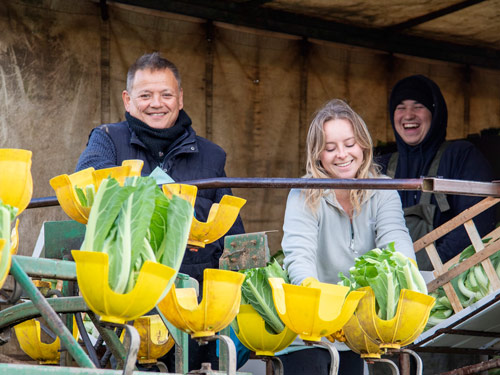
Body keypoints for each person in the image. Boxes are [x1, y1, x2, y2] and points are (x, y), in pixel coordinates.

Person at [75, 52, 245, 371]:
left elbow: (235, 238)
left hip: (191, 309)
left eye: (166, 94)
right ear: (128, 100)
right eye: (145, 95)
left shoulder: (211, 156)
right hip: (126, 298)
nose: (157, 103)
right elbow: (91, 182)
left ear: (179, 99)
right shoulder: (107, 139)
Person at [279, 99, 415, 375]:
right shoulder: (303, 193)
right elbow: (299, 254)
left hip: (358, 330)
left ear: (363, 145)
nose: (341, 154)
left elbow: (396, 242)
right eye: (330, 148)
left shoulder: (384, 189)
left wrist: (408, 285)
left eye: (349, 144)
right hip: (309, 329)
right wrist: (317, 303)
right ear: (318, 154)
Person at [377, 74, 496, 269]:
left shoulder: (460, 156)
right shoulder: (380, 166)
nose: (408, 115)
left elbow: (479, 219)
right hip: (388, 280)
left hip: (448, 281)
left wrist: (429, 268)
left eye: (418, 106)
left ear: (435, 113)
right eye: (400, 107)